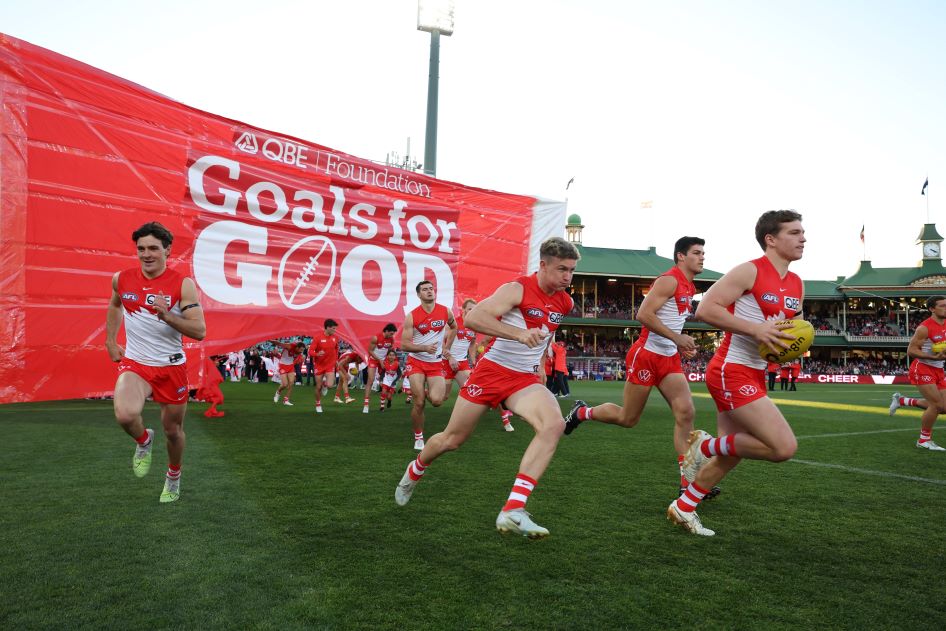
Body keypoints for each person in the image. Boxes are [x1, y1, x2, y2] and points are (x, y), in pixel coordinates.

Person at [394, 237, 578, 539]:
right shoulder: (517, 288)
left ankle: (514, 509)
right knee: (452, 440)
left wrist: (541, 366)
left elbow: (546, 335)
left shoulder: (564, 301)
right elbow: (474, 317)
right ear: (543, 265)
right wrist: (519, 334)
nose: (567, 277)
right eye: (561, 269)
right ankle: (416, 468)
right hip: (491, 373)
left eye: (571, 271)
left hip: (525, 379)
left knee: (554, 424)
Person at [666, 210, 805, 536]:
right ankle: (704, 446)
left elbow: (792, 328)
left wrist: (786, 344)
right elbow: (706, 308)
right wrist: (756, 330)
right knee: (783, 448)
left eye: (803, 232)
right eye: (794, 232)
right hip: (731, 370)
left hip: (754, 372)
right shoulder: (749, 271)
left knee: (733, 453)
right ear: (771, 239)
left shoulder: (797, 283)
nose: (803, 238)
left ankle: (683, 508)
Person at [563, 236, 708, 495]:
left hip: (669, 358)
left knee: (686, 412)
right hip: (646, 355)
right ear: (681, 257)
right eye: (697, 253)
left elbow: (671, 322)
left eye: (703, 253)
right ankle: (582, 413)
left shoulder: (689, 286)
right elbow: (643, 315)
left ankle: (687, 484)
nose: (702, 257)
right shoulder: (669, 280)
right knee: (628, 418)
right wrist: (676, 338)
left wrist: (681, 345)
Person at [105, 221, 206, 503]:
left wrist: (167, 316)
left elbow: (199, 331)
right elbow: (115, 304)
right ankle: (143, 440)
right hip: (136, 363)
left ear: (167, 250)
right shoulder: (121, 279)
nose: (146, 254)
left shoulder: (182, 284)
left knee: (173, 431)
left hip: (171, 367)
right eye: (141, 249)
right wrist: (111, 341)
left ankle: (173, 476)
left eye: (153, 248)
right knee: (125, 415)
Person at [400, 280, 458, 450]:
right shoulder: (412, 315)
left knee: (437, 401)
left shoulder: (445, 311)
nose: (429, 291)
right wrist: (424, 348)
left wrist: (446, 348)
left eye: (431, 289)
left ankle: (421, 392)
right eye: (425, 290)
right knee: (419, 403)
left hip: (435, 364)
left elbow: (454, 327)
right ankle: (418, 436)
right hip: (416, 362)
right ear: (419, 295)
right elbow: (404, 344)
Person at [897, 295, 946, 451]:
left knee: (944, 408)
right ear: (932, 309)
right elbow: (911, 351)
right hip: (923, 367)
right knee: (937, 405)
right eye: (943, 305)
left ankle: (903, 401)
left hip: (939, 368)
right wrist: (932, 356)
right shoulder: (924, 327)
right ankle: (923, 440)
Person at [363, 323, 398, 414]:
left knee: (386, 382)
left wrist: (389, 361)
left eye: (393, 334)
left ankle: (387, 400)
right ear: (386, 331)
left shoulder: (391, 339)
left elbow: (390, 351)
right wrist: (379, 360)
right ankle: (366, 404)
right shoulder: (376, 337)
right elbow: (370, 351)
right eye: (391, 333)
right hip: (374, 360)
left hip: (383, 361)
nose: (392, 335)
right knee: (370, 380)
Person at [308, 319, 340, 413]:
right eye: (333, 328)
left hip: (330, 365)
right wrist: (317, 354)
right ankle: (318, 404)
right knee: (318, 387)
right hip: (319, 365)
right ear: (328, 327)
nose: (335, 330)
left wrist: (336, 359)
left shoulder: (335, 338)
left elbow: (336, 348)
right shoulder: (317, 338)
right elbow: (310, 351)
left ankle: (325, 385)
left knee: (330, 385)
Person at [272, 340, 305, 405]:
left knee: (291, 383)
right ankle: (278, 392)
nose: (301, 351)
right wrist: (269, 339)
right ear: (297, 347)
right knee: (284, 384)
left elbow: (298, 359)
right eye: (301, 349)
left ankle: (286, 400)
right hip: (283, 365)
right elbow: (279, 343)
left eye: (303, 350)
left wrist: (299, 360)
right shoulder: (289, 346)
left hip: (290, 366)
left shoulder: (299, 352)